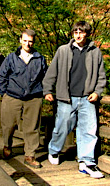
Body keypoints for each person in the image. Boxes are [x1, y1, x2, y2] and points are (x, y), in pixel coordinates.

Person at [43, 21, 106, 178]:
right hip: (66, 97)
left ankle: (87, 162)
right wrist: (47, 90)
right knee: (62, 128)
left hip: (87, 98)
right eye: (75, 32)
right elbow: (52, 72)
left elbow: (101, 76)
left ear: (86, 34)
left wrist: (97, 92)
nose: (78, 35)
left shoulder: (95, 52)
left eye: (81, 32)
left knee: (89, 131)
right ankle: (54, 150)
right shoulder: (63, 50)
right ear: (73, 34)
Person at [0, 29, 47, 168]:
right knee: (8, 125)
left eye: (30, 41)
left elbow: (46, 76)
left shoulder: (39, 58)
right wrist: (3, 93)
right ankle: (7, 146)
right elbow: (2, 75)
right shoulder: (11, 58)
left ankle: (30, 155)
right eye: (25, 40)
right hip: (12, 96)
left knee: (32, 127)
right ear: (20, 40)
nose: (28, 44)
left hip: (33, 97)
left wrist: (43, 91)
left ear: (34, 42)